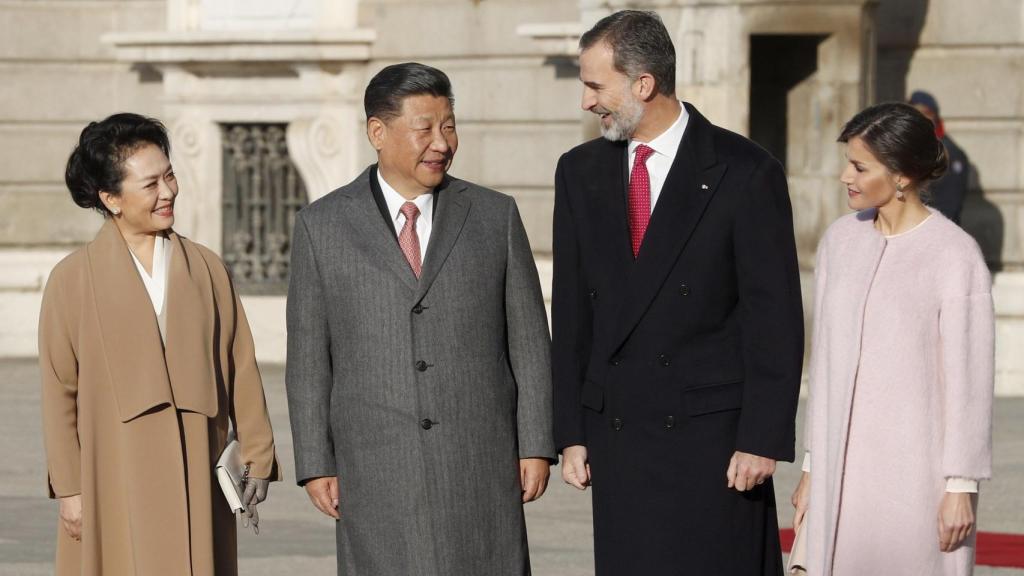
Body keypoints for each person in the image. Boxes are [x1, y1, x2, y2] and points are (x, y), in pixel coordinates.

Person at [551, 10, 804, 575]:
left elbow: (775, 319)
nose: (587, 102)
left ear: (644, 83)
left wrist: (761, 437)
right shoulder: (579, 171)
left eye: (596, 86)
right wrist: (569, 431)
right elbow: (571, 313)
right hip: (619, 437)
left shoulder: (745, 170)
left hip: (713, 446)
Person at [285, 62, 554, 575]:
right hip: (375, 463)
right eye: (424, 128)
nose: (441, 142)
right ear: (377, 132)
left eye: (449, 125)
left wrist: (536, 443)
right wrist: (316, 461)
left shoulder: (494, 216)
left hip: (479, 458)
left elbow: (529, 341)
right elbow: (308, 358)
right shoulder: (322, 225)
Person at [39, 113, 280, 576]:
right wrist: (70, 490)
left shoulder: (207, 268)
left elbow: (240, 365)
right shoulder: (71, 281)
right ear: (111, 199)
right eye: (150, 184)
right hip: (111, 471)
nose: (168, 191)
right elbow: (58, 392)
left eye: (169, 175)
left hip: (197, 464)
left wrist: (258, 455)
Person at [791, 102, 994, 575]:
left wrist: (961, 487)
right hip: (838, 471)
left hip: (915, 477)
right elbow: (824, 366)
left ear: (902, 176)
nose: (845, 176)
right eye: (847, 162)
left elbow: (970, 384)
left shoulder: (955, 256)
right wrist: (810, 467)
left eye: (860, 166)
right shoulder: (840, 242)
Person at [908, 90, 971, 223]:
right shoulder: (912, 149)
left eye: (924, 113)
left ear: (934, 116)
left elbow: (949, 206)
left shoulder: (951, 153)